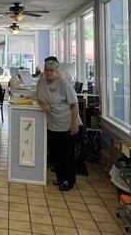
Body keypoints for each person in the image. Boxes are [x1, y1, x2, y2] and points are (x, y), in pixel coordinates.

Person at [36, 60, 80, 192]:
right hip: (51, 124)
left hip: (66, 123)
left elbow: (74, 104)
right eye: (46, 70)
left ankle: (69, 180)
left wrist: (74, 124)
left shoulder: (64, 84)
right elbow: (38, 97)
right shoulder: (41, 82)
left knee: (67, 154)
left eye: (51, 71)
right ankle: (61, 177)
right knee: (55, 153)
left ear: (56, 72)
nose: (48, 73)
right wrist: (42, 103)